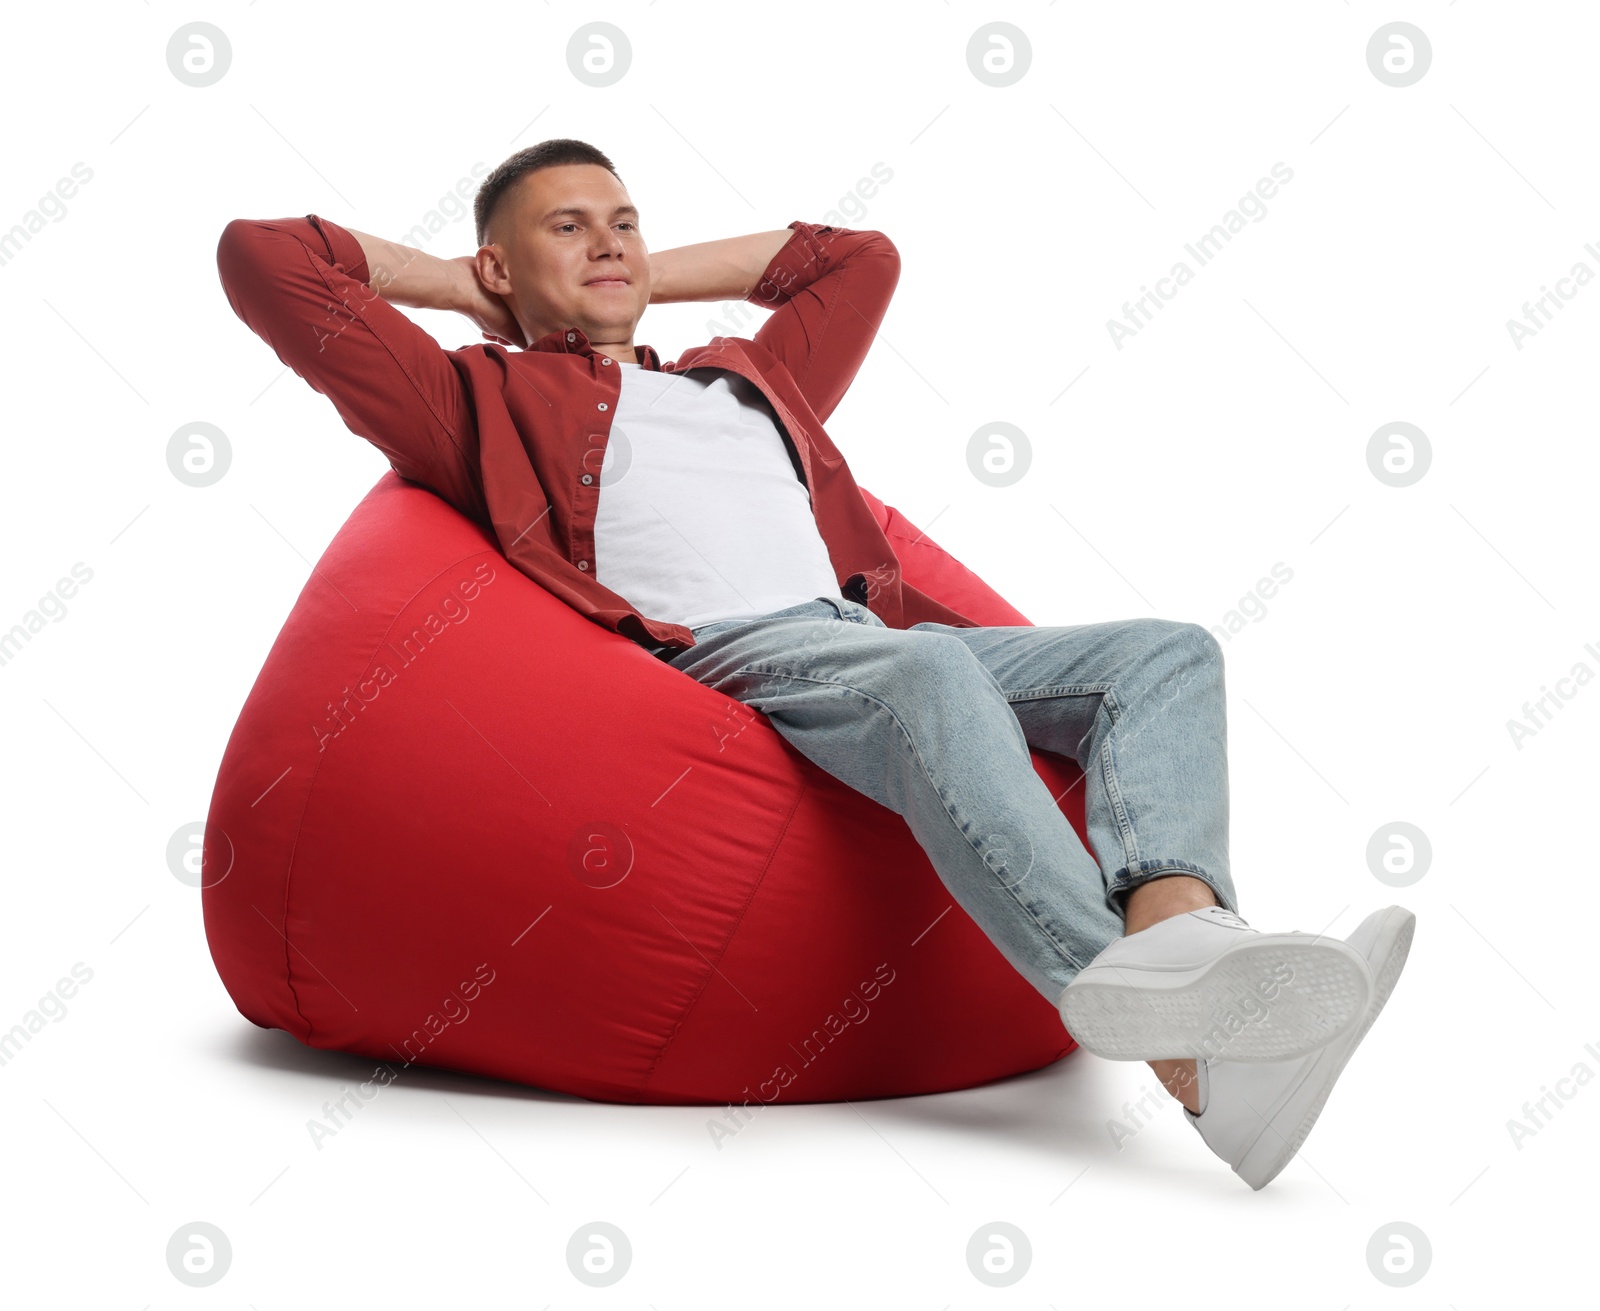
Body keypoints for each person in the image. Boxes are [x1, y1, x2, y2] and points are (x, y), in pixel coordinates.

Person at [216, 137, 1415, 1189]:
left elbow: (859, 260)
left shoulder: (749, 380)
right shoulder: (475, 397)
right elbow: (263, 258)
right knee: (931, 682)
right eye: (568, 227)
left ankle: (1199, 996)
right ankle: (1124, 985)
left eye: (624, 221)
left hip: (867, 636)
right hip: (734, 660)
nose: (611, 243)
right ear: (495, 263)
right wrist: (480, 298)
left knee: (1166, 657)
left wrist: (628, 278)